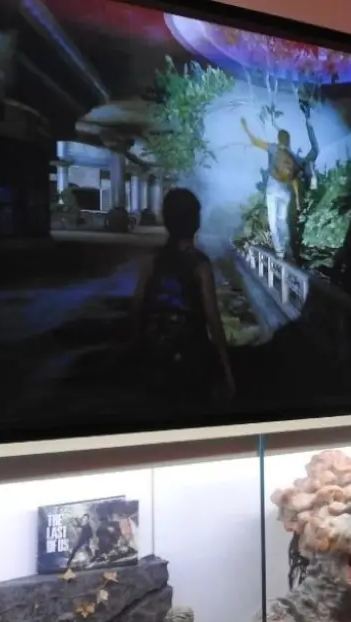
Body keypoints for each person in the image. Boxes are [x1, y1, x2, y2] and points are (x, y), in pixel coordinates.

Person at [131, 188, 236, 403]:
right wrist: (226, 370)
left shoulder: (153, 260)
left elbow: (137, 307)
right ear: (196, 222)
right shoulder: (200, 264)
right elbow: (213, 319)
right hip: (191, 355)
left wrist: (136, 349)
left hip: (156, 352)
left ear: (166, 221)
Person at [240, 99, 319, 261]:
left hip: (272, 190)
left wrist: (245, 127)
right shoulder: (293, 157)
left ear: (279, 139)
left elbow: (254, 141)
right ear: (289, 140)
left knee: (273, 221)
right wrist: (297, 200)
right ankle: (287, 247)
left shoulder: (274, 148)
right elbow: (294, 179)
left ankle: (279, 252)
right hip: (285, 193)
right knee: (282, 221)